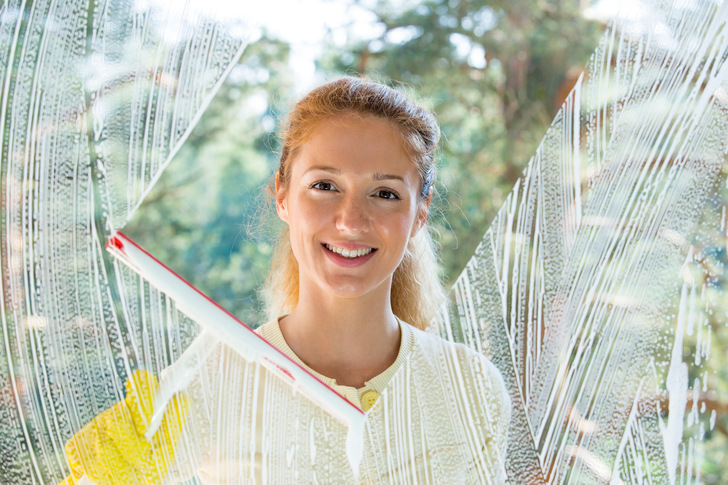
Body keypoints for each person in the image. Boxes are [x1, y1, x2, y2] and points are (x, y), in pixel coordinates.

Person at [63, 76, 510, 484]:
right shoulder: (210, 386)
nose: (351, 221)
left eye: (386, 193)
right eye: (325, 185)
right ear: (282, 194)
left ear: (420, 214)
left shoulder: (470, 388)